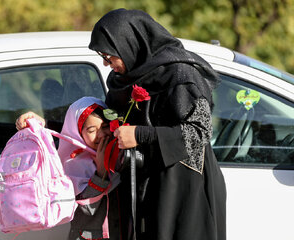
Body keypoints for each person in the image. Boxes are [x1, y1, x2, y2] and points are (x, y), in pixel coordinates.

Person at [88, 8, 227, 240]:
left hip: (183, 190)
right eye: (103, 57)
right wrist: (44, 124)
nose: (106, 64)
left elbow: (199, 133)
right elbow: (105, 122)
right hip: (142, 187)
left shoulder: (181, 75)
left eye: (109, 56)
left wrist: (140, 135)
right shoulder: (122, 81)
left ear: (129, 43)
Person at [16, 97, 122, 240]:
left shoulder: (119, 152)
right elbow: (84, 209)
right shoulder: (73, 163)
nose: (101, 135)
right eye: (92, 130)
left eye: (104, 127)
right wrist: (101, 172)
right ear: (77, 133)